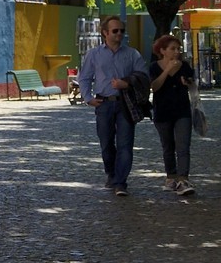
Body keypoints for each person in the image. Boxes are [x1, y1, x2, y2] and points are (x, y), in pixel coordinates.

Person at [78, 15, 147, 196]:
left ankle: (120, 182)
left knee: (125, 144)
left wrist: (127, 83)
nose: (119, 34)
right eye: (115, 31)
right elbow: (84, 78)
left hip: (125, 103)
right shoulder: (94, 55)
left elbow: (143, 76)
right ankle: (111, 173)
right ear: (105, 33)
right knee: (106, 144)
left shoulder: (132, 54)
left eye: (122, 31)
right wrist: (88, 98)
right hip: (104, 104)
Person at [149, 33, 197, 196]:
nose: (176, 51)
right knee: (168, 146)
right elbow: (154, 87)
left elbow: (192, 82)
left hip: (182, 111)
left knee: (183, 146)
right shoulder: (154, 67)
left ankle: (183, 179)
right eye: (172, 49)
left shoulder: (184, 66)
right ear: (162, 50)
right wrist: (168, 70)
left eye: (178, 48)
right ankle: (171, 177)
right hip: (162, 111)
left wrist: (188, 82)